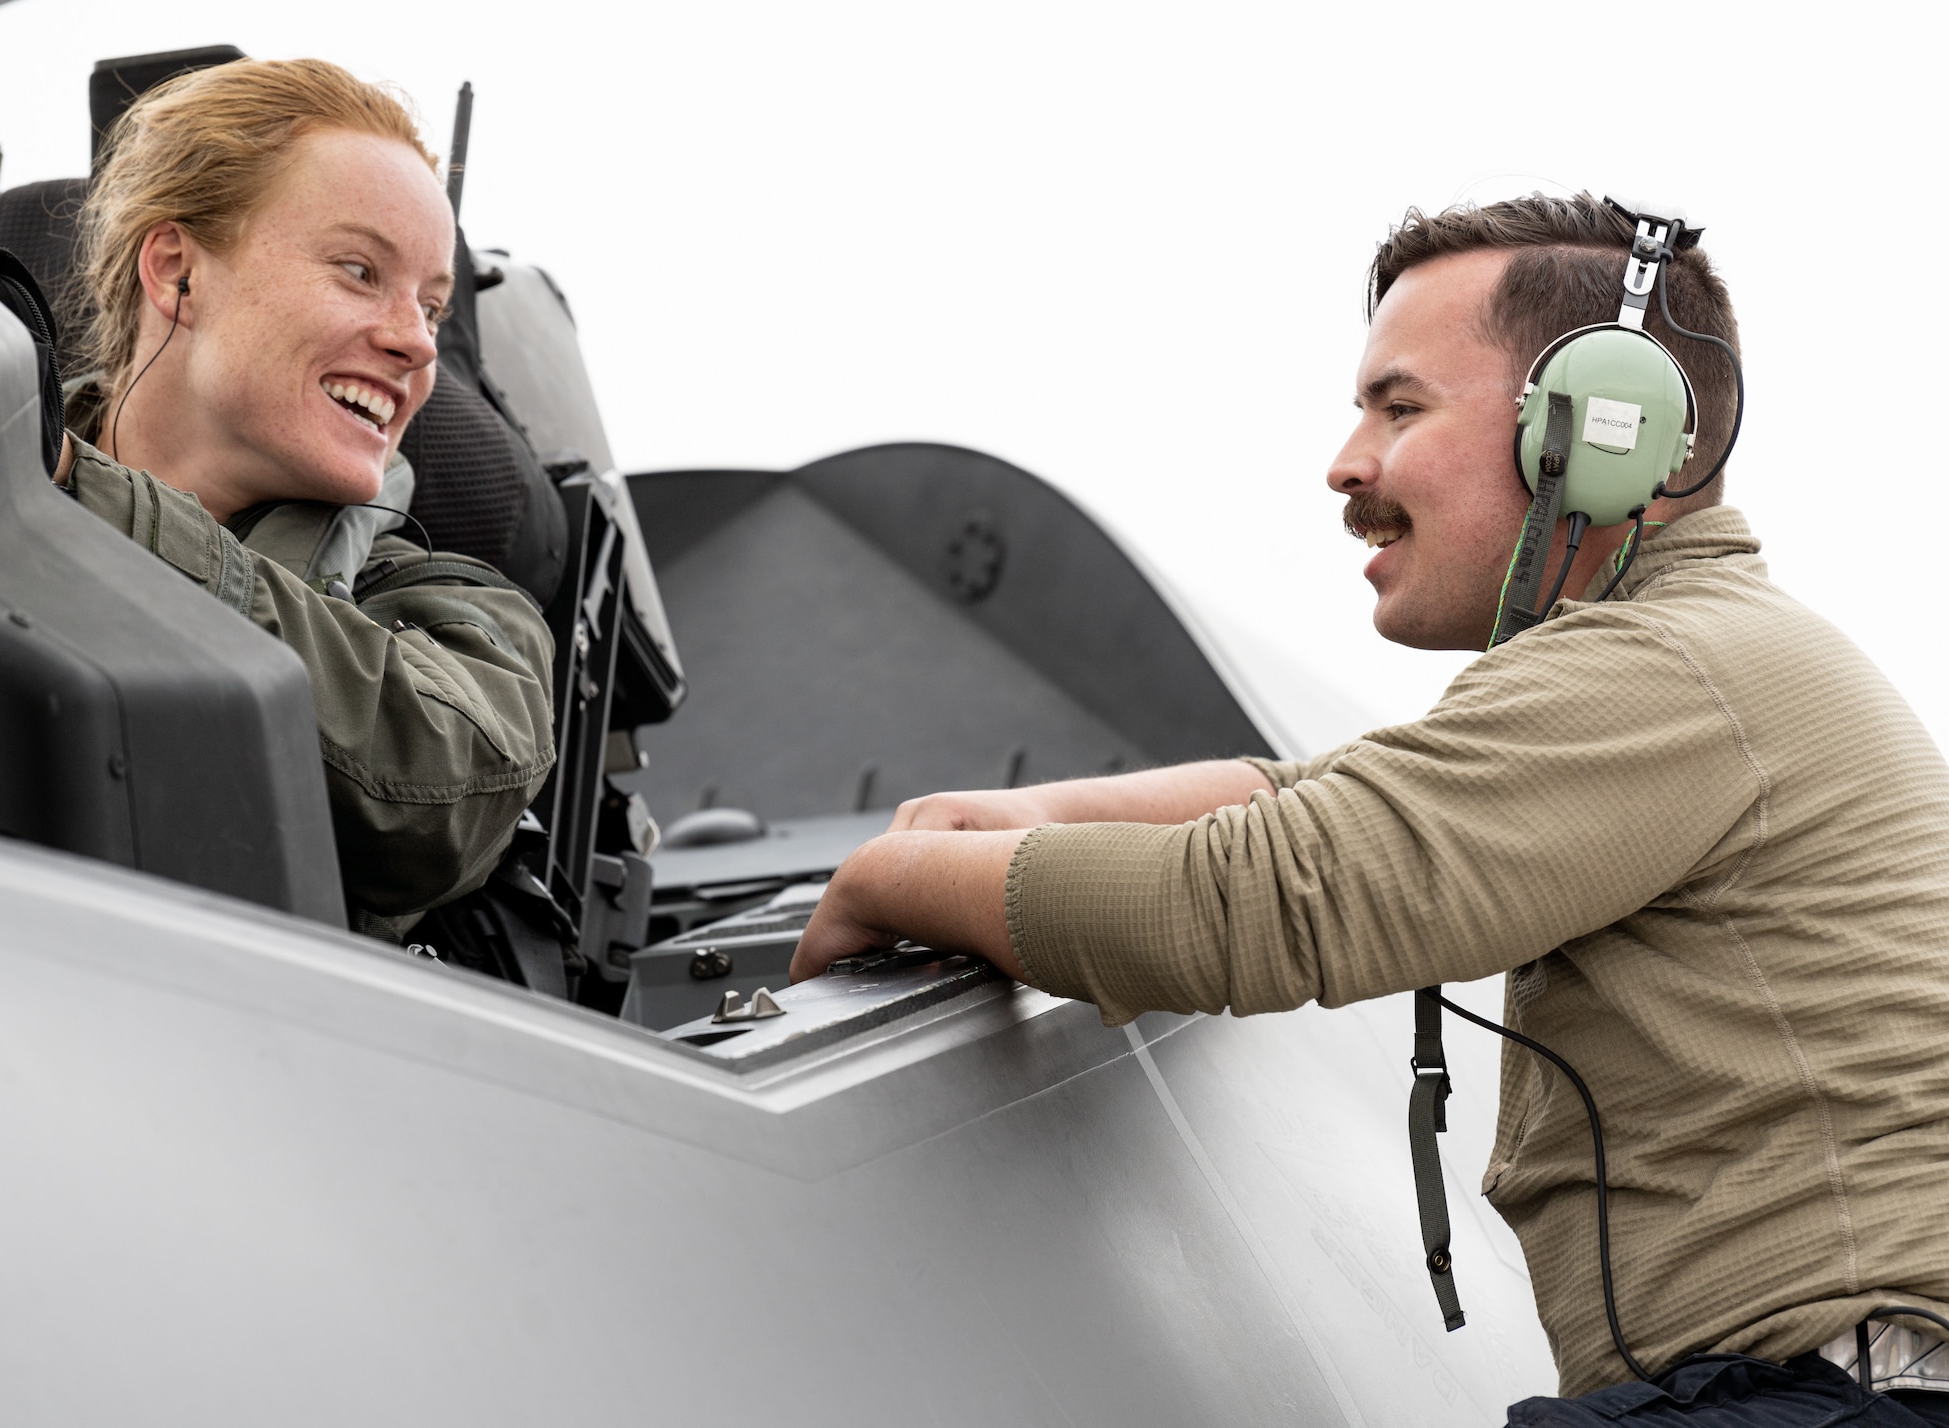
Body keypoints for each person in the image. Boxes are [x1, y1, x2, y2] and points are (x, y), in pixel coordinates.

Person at [789, 194, 1949, 1423]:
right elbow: (1312, 802)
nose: (1346, 463)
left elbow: (1266, 900)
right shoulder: (1692, 657)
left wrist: (887, 879)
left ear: (1602, 431)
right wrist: (1016, 816)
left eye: (1399, 408)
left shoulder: (1669, 670)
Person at [54, 57, 555, 939]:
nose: (415, 344)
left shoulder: (455, 617)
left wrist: (65, 495)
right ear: (176, 272)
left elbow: (436, 793)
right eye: (361, 271)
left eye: (432, 308)